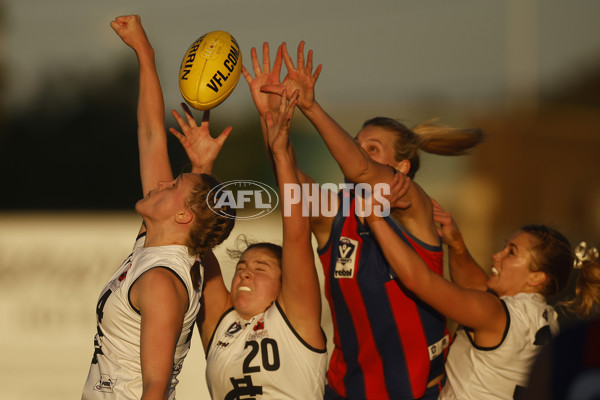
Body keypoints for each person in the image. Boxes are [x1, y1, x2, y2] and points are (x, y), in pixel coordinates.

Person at [244, 41, 483, 399]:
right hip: (346, 390)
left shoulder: (411, 203)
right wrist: (272, 119)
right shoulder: (337, 213)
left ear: (401, 167)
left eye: (371, 148)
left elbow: (359, 168)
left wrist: (311, 105)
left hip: (417, 393)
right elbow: (290, 178)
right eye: (356, 143)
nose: (356, 152)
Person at [81, 15, 234, 400]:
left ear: (183, 216)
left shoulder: (163, 283)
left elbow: (155, 389)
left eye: (175, 185)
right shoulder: (155, 246)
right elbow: (150, 135)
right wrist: (145, 54)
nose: (164, 181)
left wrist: (200, 175)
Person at [366, 195, 600, 399]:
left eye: (511, 252)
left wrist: (375, 218)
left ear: (537, 278)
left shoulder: (495, 313)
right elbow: (474, 286)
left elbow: (418, 280)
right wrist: (457, 245)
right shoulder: (543, 315)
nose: (497, 255)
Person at [173, 91, 327, 399]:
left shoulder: (294, 318)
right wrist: (201, 167)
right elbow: (195, 237)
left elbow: (297, 232)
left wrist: (280, 152)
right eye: (242, 267)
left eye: (260, 268)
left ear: (285, 284)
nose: (244, 273)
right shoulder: (223, 324)